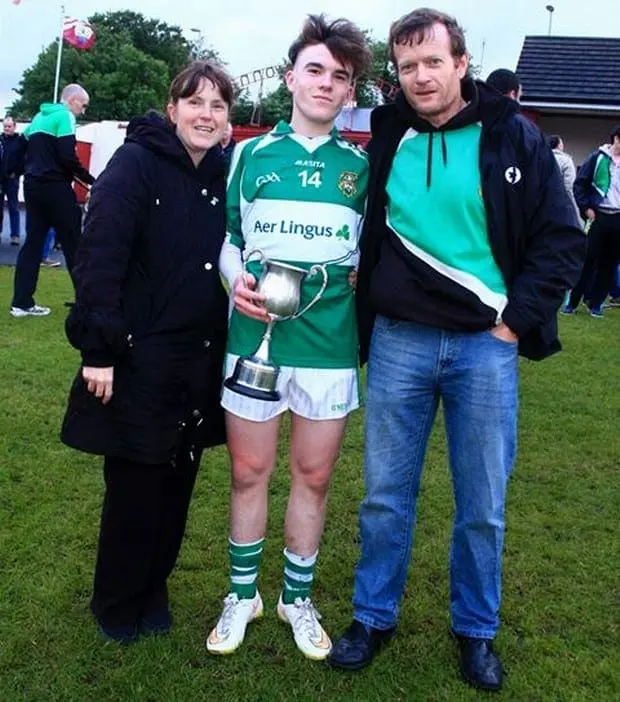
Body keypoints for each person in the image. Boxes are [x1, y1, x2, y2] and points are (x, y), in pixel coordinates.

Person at [327, 8, 585, 691]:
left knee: (482, 505)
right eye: (408, 66)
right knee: (385, 496)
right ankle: (372, 617)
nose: (420, 77)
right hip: (399, 344)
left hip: (484, 352)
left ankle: (476, 631)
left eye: (432, 62)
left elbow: (562, 239)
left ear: (460, 63)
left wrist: (515, 322)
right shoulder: (388, 134)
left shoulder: (512, 138)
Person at [207, 14, 371, 660]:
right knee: (249, 471)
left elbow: (371, 250)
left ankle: (295, 598)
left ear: (350, 92)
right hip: (255, 335)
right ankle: (242, 594)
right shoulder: (247, 154)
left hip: (329, 343)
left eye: (340, 76)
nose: (326, 84)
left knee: (314, 473)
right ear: (290, 77)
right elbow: (227, 239)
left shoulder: (361, 166)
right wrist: (235, 282)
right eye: (315, 70)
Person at [60, 60, 233, 643]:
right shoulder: (135, 164)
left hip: (198, 358)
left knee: (178, 483)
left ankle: (153, 586)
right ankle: (116, 601)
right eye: (195, 103)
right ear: (173, 108)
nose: (205, 115)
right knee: (135, 486)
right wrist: (98, 349)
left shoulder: (225, 174)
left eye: (217, 106)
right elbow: (99, 255)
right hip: (138, 358)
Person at [10, 84, 94, 318]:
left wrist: (17, 172)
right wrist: (91, 180)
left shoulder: (38, 118)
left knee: (32, 244)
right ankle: (87, 303)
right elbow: (68, 156)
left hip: (33, 187)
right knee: (74, 243)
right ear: (72, 100)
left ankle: (21, 303)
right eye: (83, 105)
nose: (83, 111)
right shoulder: (65, 116)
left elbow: (18, 148)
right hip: (56, 187)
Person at [564, 125, 620, 317]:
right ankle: (572, 301)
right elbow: (580, 183)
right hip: (599, 215)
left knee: (610, 263)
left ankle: (596, 303)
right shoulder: (598, 158)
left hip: (618, 217)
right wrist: (586, 208)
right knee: (587, 260)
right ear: (616, 139)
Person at [1, 116, 25, 245]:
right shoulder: (0, 140)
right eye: (5, 126)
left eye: (9, 126)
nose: (6, 128)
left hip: (12, 179)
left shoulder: (20, 141)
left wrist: (17, 173)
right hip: (0, 179)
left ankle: (15, 235)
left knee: (13, 207)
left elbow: (24, 160)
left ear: (14, 127)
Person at [549, 135, 580, 221]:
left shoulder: (541, 158)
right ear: (559, 145)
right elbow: (569, 186)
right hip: (560, 202)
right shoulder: (566, 160)